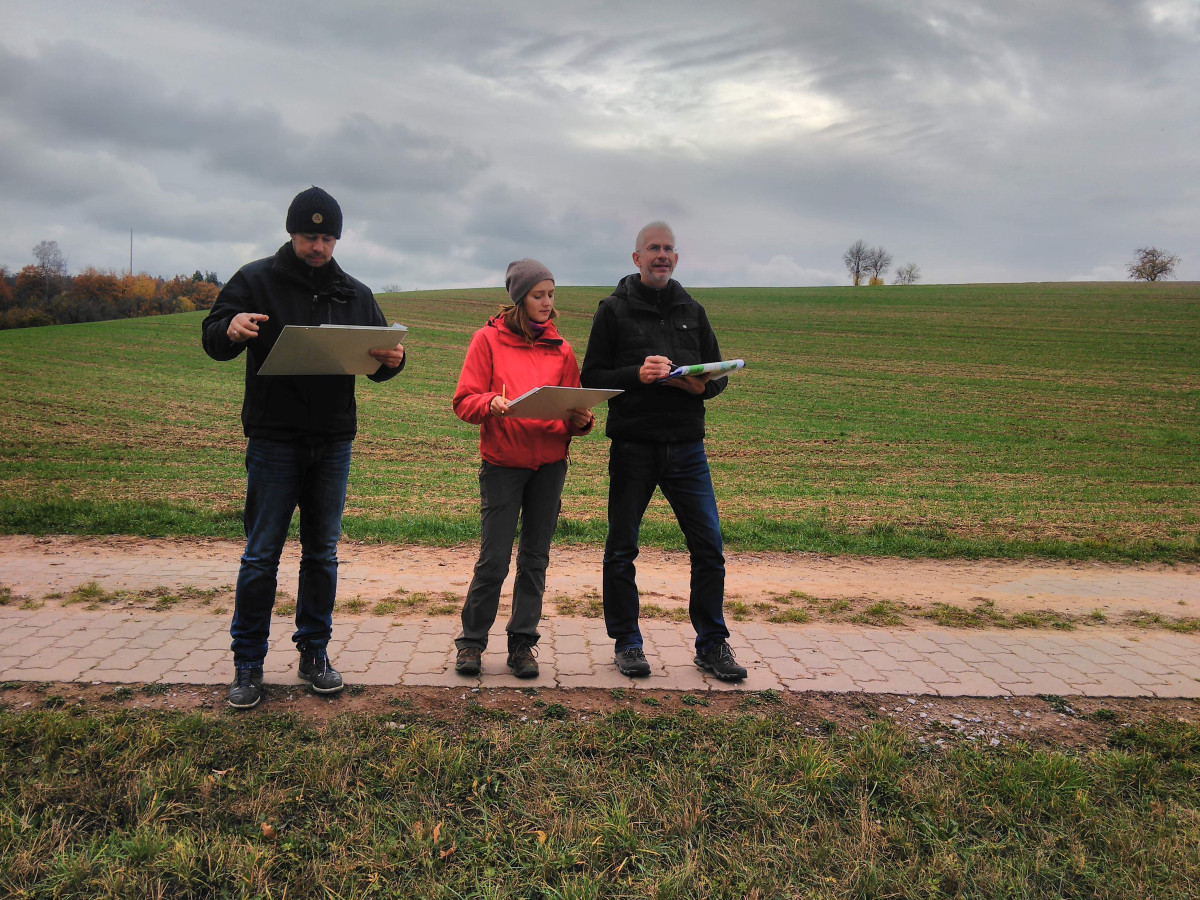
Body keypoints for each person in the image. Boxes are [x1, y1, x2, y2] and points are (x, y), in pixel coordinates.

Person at [201, 186, 406, 709]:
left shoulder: (354, 292)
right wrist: (231, 327)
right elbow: (213, 338)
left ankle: (314, 653)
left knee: (321, 554)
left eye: (328, 237)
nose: (319, 246)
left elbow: (381, 363)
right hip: (273, 437)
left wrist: (392, 359)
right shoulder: (255, 280)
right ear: (291, 232)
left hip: (333, 438)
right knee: (261, 554)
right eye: (310, 236)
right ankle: (248, 664)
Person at [580, 221, 747, 681]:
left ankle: (712, 644)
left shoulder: (692, 309)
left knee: (709, 548)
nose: (662, 255)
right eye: (653, 248)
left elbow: (718, 377)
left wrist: (702, 385)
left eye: (669, 249)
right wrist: (638, 373)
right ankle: (627, 642)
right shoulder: (612, 310)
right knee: (621, 549)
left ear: (676, 258)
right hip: (634, 446)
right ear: (636, 258)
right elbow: (590, 376)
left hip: (688, 447)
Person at [451, 259, 594, 679]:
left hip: (550, 466)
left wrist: (581, 422)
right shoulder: (487, 341)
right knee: (493, 560)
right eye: (538, 295)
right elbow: (463, 401)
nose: (547, 303)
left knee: (535, 559)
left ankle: (522, 646)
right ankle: (472, 644)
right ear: (519, 298)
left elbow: (574, 406)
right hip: (503, 466)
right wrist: (489, 403)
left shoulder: (561, 348)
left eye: (551, 294)